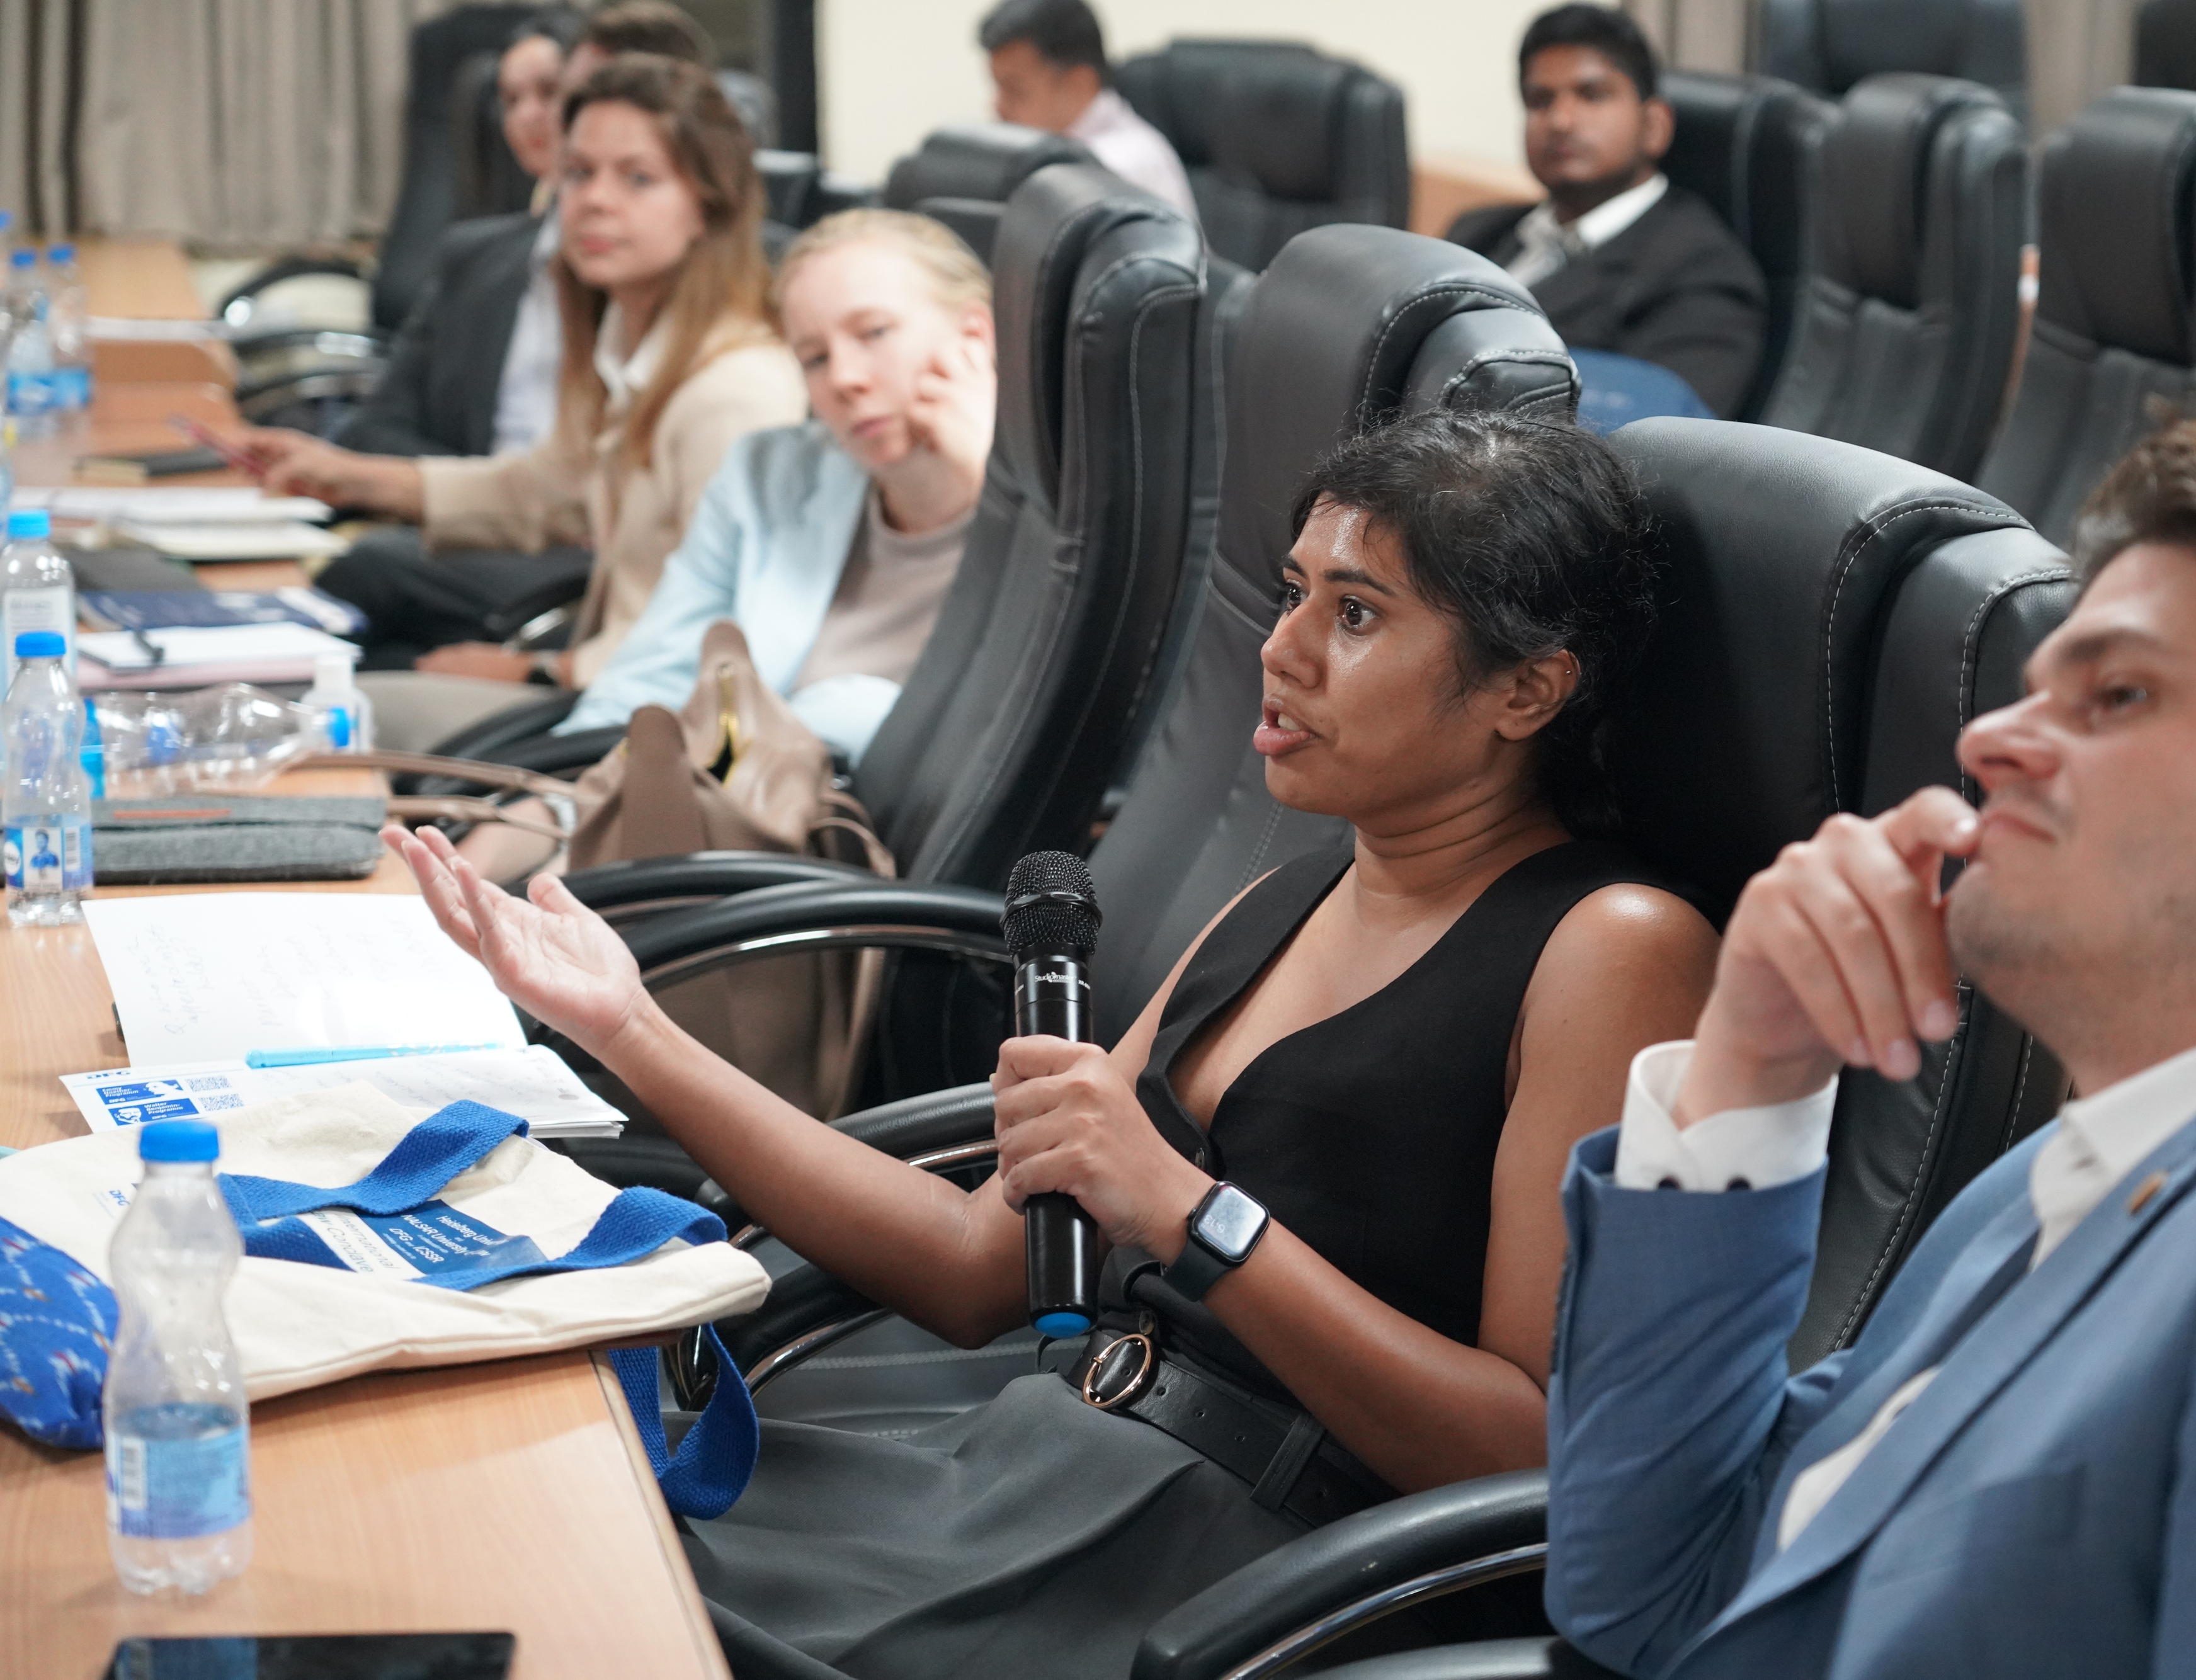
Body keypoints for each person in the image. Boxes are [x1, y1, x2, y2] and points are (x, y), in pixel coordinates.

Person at [385, 409, 1721, 1679]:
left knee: (564, 1612)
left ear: (1526, 689)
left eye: (1357, 612)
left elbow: (1532, 1454)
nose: (1284, 646)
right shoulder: (1295, 890)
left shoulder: (1613, 944)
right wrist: (627, 1024)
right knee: (502, 1530)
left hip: (1233, 1568)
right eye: (1294, 588)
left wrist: (1197, 1217)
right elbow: (978, 1265)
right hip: (1034, 1458)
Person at [1546, 414, 2196, 1678]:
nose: (1985, 740)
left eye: (2115, 693)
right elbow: (1646, 1596)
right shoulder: (2044, 1182)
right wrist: (1747, 1072)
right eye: (2031, 688)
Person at [225, 56, 805, 747]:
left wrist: (537, 670)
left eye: (638, 178)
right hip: (601, 689)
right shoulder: (628, 334)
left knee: (325, 719)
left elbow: (729, 637)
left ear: (709, 205)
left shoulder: (733, 393)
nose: (594, 200)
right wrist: (348, 475)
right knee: (336, 674)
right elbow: (549, 486)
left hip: (644, 725)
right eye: (579, 173)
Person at [555, 207, 994, 767]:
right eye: (813, 358)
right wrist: (529, 819)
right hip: (707, 821)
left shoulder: (1070, 513)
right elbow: (643, 693)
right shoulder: (768, 477)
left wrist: (987, 485)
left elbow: (1051, 722)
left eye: (874, 333)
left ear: (975, 337)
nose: (844, 379)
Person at [1446, 5, 1766, 419]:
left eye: (1591, 95)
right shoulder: (1476, 231)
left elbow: (1659, 446)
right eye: (1540, 100)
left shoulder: (1703, 273)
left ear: (1655, 125)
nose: (1560, 121)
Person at [336, 8, 591, 462]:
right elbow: (374, 427)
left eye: (550, 92)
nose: (528, 116)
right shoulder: (474, 256)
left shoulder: (627, 259)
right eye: (510, 100)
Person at [979, 0, 1198, 222]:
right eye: (997, 87)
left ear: (1079, 84)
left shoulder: (1121, 168)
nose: (998, 106)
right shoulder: (1051, 155)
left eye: (1015, 91)